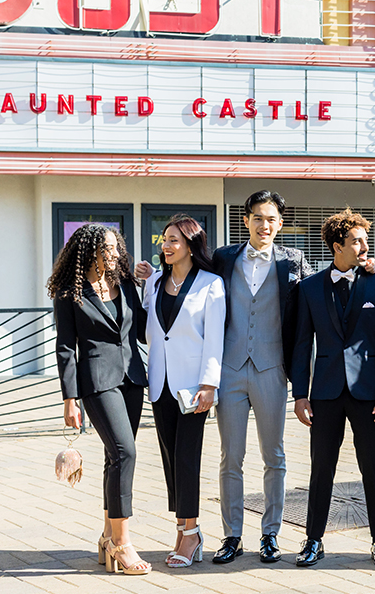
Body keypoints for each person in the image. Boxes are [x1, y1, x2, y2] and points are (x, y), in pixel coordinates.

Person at [291, 209, 375, 568]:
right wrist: (299, 394)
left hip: (369, 393)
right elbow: (301, 343)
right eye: (356, 240)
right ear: (338, 245)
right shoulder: (308, 288)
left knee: (373, 465)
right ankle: (313, 540)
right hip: (323, 392)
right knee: (321, 466)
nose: (364, 246)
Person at [210, 191, 313, 564]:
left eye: (271, 219)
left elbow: (314, 300)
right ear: (246, 220)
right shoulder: (224, 257)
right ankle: (232, 535)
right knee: (230, 456)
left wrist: (367, 270)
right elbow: (187, 275)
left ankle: (270, 534)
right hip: (230, 369)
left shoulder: (293, 260)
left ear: (280, 223)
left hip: (272, 368)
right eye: (257, 217)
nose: (264, 225)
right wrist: (153, 273)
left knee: (275, 456)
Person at [50, 223, 151, 576]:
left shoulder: (124, 283)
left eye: (116, 248)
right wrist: (70, 399)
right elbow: (65, 347)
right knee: (126, 452)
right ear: (89, 250)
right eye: (106, 248)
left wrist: (150, 284)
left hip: (132, 377)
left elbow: (142, 328)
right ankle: (122, 542)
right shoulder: (69, 292)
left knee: (115, 457)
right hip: (96, 381)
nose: (114, 254)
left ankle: (108, 535)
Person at [142, 215, 225, 569]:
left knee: (187, 457)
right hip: (160, 382)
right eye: (165, 239)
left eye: (174, 240)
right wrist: (140, 283)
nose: (167, 245)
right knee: (170, 460)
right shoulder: (156, 283)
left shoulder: (212, 284)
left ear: (191, 245)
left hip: (194, 386)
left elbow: (215, 339)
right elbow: (148, 328)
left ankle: (190, 534)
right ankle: (182, 527)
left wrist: (210, 384)